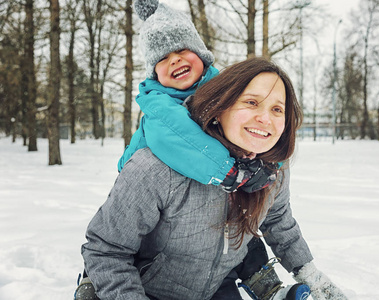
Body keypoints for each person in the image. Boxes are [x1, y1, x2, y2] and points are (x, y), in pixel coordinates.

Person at [78, 57, 348, 300]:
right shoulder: (156, 168)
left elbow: (278, 221)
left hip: (218, 288)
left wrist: (309, 273)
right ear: (220, 108)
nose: (265, 118)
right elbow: (106, 250)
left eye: (277, 109)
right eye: (251, 102)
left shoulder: (273, 170)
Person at [117, 0, 276, 193]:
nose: (174, 59)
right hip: (143, 187)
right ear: (154, 73)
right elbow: (176, 133)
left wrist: (272, 159)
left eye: (182, 49)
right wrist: (229, 172)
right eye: (162, 58)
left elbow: (263, 119)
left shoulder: (225, 89)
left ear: (201, 54)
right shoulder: (158, 105)